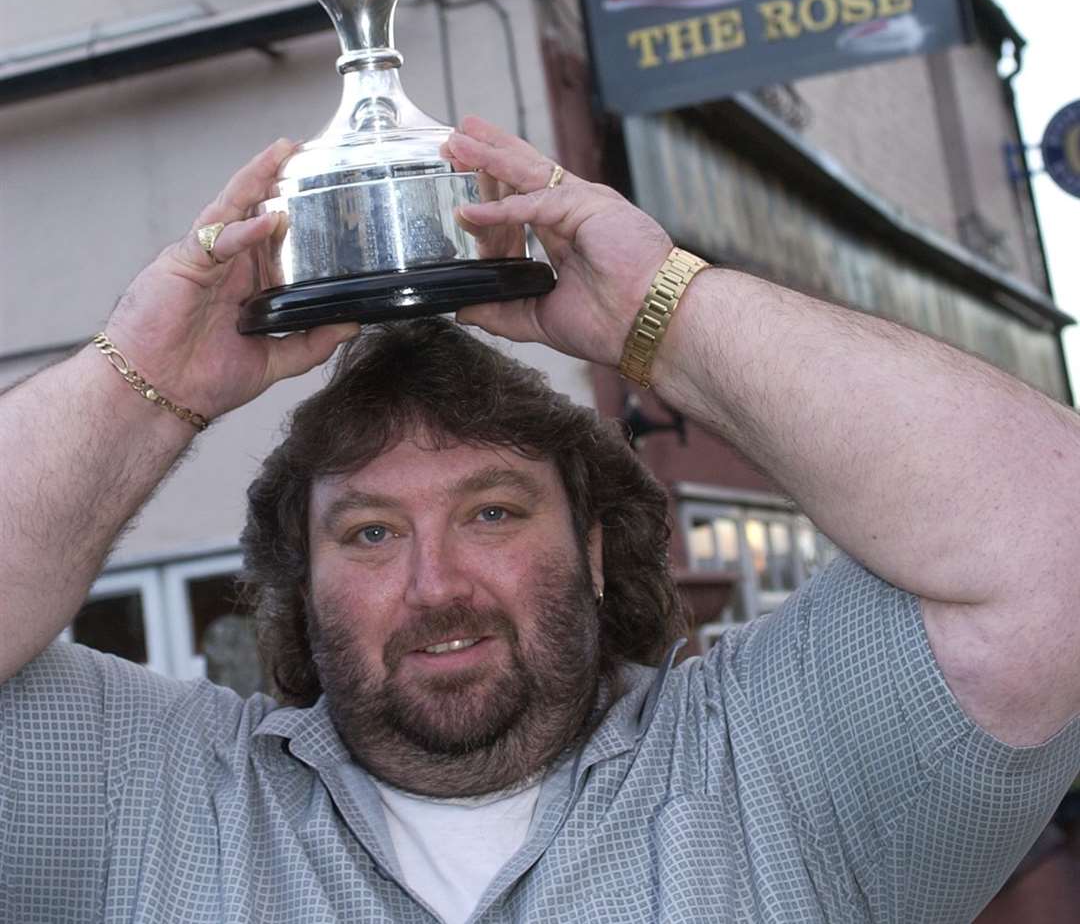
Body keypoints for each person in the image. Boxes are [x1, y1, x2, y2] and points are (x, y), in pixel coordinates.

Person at [2, 115, 1079, 924]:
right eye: (370, 532)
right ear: (303, 579)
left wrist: (660, 308)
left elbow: (1052, 534)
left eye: (494, 511)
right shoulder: (144, 796)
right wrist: (144, 381)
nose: (437, 585)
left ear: (596, 548)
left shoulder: (773, 767)